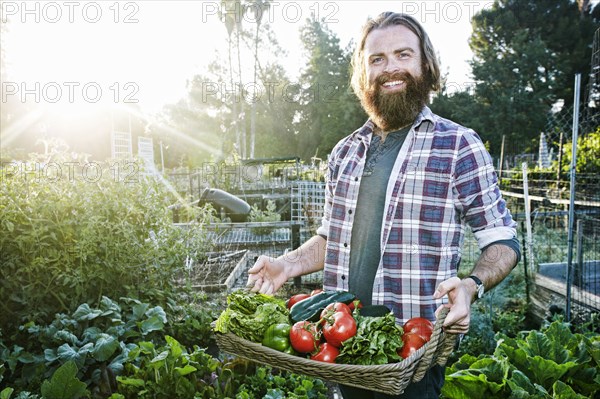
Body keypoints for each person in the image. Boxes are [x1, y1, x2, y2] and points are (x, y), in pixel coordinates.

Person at [247, 11, 521, 399]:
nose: (390, 68)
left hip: (412, 354)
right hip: (341, 348)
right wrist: (287, 264)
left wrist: (472, 285)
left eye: (403, 54)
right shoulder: (345, 151)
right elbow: (334, 237)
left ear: (425, 64)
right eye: (376, 59)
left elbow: (503, 241)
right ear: (362, 74)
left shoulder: (459, 146)